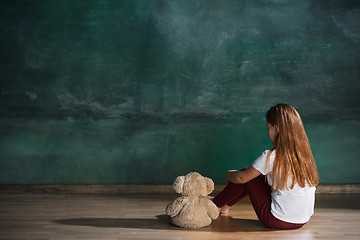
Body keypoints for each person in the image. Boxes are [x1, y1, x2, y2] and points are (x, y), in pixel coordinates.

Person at [212, 103, 319, 230]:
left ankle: (214, 204)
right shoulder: (304, 156)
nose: (268, 132)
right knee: (255, 177)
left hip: (276, 220)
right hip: (302, 220)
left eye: (268, 128)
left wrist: (229, 174)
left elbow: (241, 178)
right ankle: (224, 206)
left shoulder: (272, 156)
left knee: (246, 174)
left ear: (276, 128)